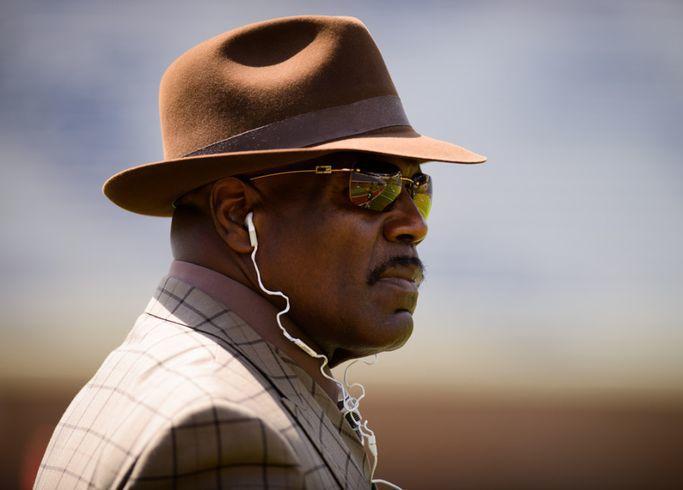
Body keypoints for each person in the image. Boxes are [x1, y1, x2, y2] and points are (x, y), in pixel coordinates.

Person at [34, 14, 485, 489]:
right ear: (235, 214)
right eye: (369, 184)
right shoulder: (222, 432)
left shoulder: (167, 374)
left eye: (418, 187)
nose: (413, 223)